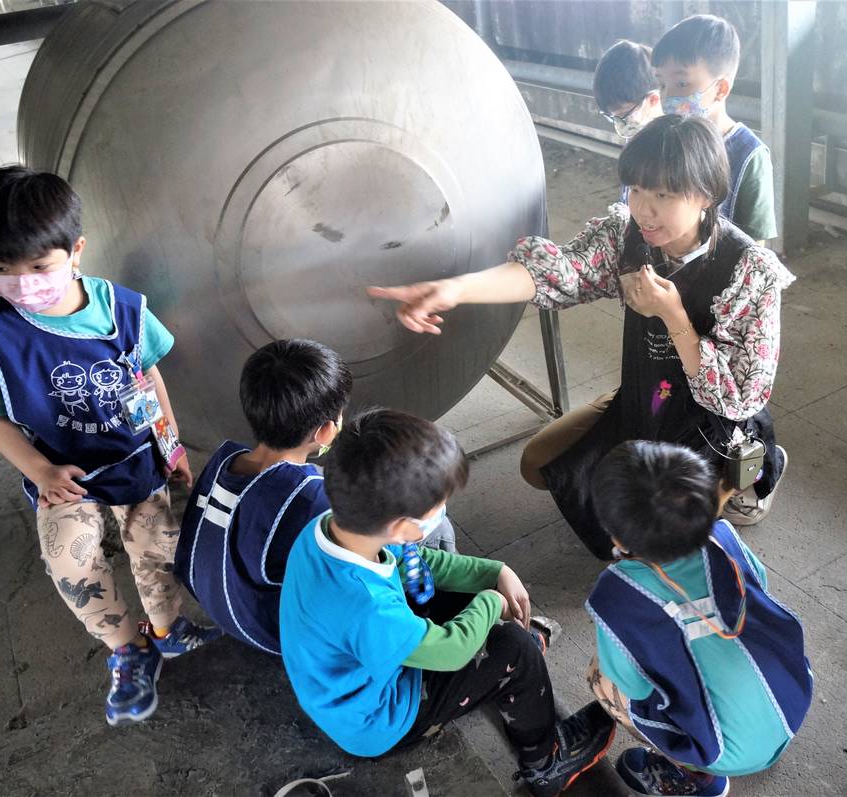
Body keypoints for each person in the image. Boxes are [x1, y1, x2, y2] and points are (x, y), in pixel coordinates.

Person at [369, 115, 793, 558]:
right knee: (541, 465)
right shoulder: (630, 236)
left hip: (711, 426)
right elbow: (560, 273)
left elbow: (741, 397)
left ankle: (755, 470)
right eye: (636, 189)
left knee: (652, 541)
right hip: (647, 397)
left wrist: (673, 316)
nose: (643, 209)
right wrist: (454, 289)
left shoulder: (749, 271)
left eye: (663, 195)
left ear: (706, 195)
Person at [0, 166, 219, 727]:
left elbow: (149, 378)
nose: (23, 283)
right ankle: (129, 649)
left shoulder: (125, 310)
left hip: (136, 461)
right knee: (69, 561)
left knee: (158, 548)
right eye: (1, 269)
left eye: (39, 267)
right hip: (64, 477)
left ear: (75, 250)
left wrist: (171, 451)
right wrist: (40, 470)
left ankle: (167, 629)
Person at [279, 409, 616, 796]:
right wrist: (489, 601)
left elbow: (417, 565)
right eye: (438, 504)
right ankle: (545, 762)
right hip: (378, 719)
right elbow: (451, 651)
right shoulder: (366, 605)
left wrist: (494, 571)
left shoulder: (332, 528)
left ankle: (495, 669)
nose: (442, 510)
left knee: (459, 594)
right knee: (515, 649)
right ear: (403, 527)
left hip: (353, 670)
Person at [585, 441, 812, 797]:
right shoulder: (724, 536)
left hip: (727, 752)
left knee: (600, 677)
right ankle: (742, 732)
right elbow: (760, 586)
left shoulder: (614, 594)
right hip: (793, 697)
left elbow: (633, 685)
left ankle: (697, 775)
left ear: (615, 536)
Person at [173, 339, 350, 654]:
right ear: (324, 432)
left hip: (216, 602)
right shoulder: (308, 495)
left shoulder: (224, 458)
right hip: (266, 628)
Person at [652, 14, 775, 243]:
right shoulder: (660, 139)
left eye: (681, 83)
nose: (667, 96)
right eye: (661, 83)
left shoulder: (749, 156)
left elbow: (756, 254)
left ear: (721, 88)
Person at [594, 39, 661, 140]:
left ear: (653, 100)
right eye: (611, 118)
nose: (619, 127)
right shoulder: (637, 128)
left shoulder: (676, 137)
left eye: (623, 115)